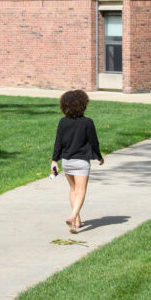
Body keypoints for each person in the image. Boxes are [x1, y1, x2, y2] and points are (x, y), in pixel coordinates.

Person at [50, 89, 104, 234]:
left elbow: (58, 143)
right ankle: (73, 215)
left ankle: (77, 222)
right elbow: (94, 142)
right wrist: (99, 156)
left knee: (73, 190)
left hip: (66, 161)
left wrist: (54, 160)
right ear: (83, 104)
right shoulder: (87, 122)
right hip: (81, 162)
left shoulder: (62, 122)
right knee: (81, 191)